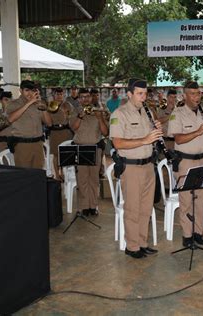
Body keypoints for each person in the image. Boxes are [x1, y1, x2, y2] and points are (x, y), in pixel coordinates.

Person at [110, 78, 162, 259]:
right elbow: (117, 143)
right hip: (131, 168)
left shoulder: (146, 112)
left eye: (145, 93)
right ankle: (132, 246)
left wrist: (156, 131)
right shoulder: (119, 114)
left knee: (146, 208)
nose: (144, 97)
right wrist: (145, 140)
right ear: (129, 94)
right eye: (140, 93)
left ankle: (142, 243)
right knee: (133, 209)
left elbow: (150, 137)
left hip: (148, 165)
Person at [167, 81, 203, 248]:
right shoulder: (177, 113)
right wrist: (199, 131)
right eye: (193, 94)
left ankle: (197, 232)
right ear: (185, 96)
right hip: (186, 161)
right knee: (186, 199)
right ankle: (187, 235)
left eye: (198, 94)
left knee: (201, 198)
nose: (197, 97)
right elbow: (178, 139)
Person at [70, 88, 109, 216]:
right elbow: (74, 128)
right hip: (80, 148)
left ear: (91, 98)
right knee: (82, 179)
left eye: (87, 96)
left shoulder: (98, 111)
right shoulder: (75, 110)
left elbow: (105, 132)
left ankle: (93, 206)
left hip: (95, 148)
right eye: (82, 97)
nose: (85, 99)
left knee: (94, 179)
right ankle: (83, 207)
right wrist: (80, 116)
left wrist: (100, 119)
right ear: (79, 98)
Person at [6, 80, 52, 169]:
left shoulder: (38, 103)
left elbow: (49, 123)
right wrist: (29, 103)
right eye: (27, 90)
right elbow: (10, 119)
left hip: (38, 144)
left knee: (38, 175)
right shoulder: (13, 103)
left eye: (32, 90)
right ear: (20, 91)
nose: (29, 93)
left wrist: (43, 107)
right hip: (22, 145)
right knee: (24, 176)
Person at [47, 87, 74, 180]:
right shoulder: (50, 105)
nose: (59, 96)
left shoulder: (68, 104)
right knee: (55, 154)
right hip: (54, 132)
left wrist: (66, 113)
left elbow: (72, 117)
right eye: (57, 94)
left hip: (66, 131)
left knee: (66, 153)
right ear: (54, 95)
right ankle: (57, 175)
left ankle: (64, 173)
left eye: (61, 94)